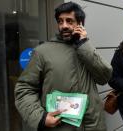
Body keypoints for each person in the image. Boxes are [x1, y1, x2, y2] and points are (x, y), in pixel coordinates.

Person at [14, 2, 112, 131]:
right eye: (60, 21)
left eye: (69, 21)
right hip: (60, 127)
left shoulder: (87, 49)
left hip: (93, 126)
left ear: (80, 24)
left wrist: (83, 45)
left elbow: (104, 77)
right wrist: (41, 118)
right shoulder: (42, 52)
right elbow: (24, 89)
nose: (64, 26)